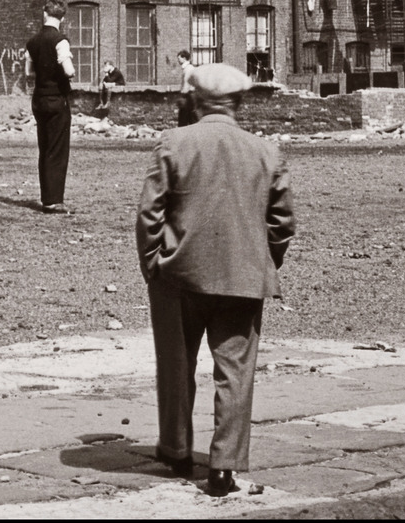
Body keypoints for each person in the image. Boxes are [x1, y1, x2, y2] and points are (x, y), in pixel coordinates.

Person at [135, 61, 295, 499]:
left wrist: (152, 263)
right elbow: (282, 223)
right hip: (243, 277)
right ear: (239, 103)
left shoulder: (174, 142)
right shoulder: (266, 151)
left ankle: (177, 450)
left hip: (180, 273)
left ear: (197, 100)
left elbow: (150, 213)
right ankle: (224, 467)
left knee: (176, 364)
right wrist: (263, 260)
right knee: (236, 373)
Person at [25, 0, 74, 214]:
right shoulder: (60, 40)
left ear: (44, 14)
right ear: (62, 18)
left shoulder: (32, 42)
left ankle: (47, 198)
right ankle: (54, 200)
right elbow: (69, 70)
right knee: (57, 149)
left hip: (39, 99)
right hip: (56, 99)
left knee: (44, 148)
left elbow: (28, 72)